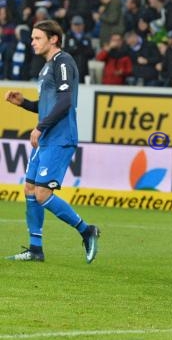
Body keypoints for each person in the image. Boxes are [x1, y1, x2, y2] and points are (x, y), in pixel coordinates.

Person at [4, 20, 100, 263]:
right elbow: (47, 105)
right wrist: (24, 103)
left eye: (37, 38)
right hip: (47, 137)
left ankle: (86, 230)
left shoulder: (64, 62)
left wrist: (40, 127)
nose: (32, 42)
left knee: (43, 194)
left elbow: (66, 101)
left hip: (60, 138)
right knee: (29, 189)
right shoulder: (46, 67)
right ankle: (35, 249)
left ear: (53, 39)